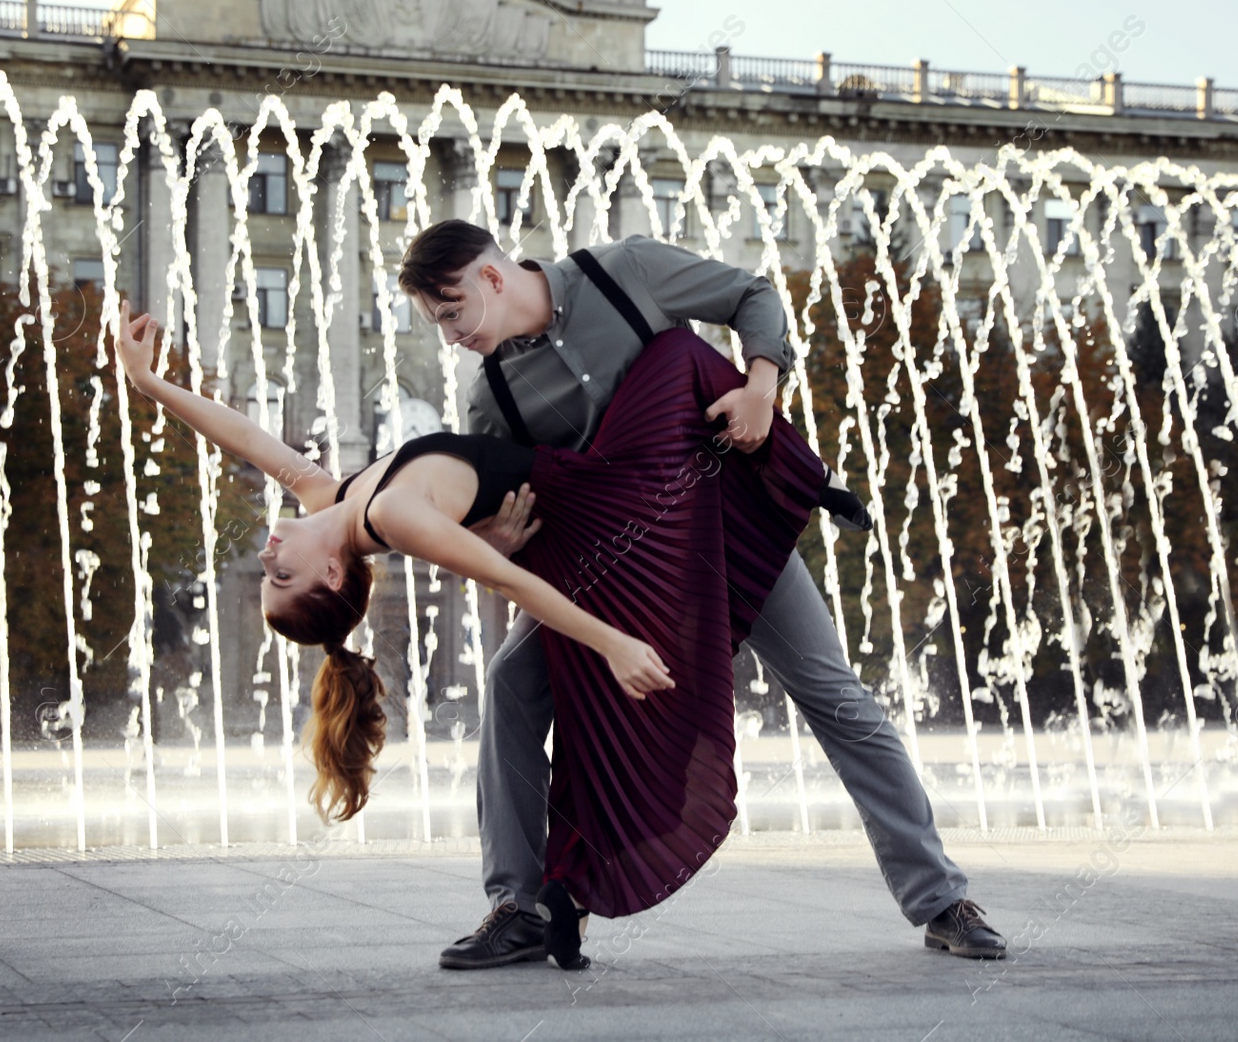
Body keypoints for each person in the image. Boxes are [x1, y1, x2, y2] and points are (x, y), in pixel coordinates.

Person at [112, 297, 873, 970]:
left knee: (683, 383)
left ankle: (806, 483)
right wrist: (611, 641)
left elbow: (245, 436)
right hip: (610, 523)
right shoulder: (393, 517)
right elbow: (514, 583)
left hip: (596, 485)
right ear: (335, 578)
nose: (269, 553)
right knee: (677, 361)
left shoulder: (333, 495)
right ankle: (544, 898)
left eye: (268, 571)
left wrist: (150, 384)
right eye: (282, 577)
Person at [401, 220, 1008, 970]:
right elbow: (497, 507)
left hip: (726, 533)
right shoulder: (491, 395)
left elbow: (753, 293)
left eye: (453, 311)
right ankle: (518, 906)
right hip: (620, 580)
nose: (452, 335)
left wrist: (761, 383)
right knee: (507, 682)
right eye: (438, 322)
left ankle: (943, 899)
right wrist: (493, 541)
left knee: (834, 693)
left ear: (492, 277)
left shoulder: (624, 271)